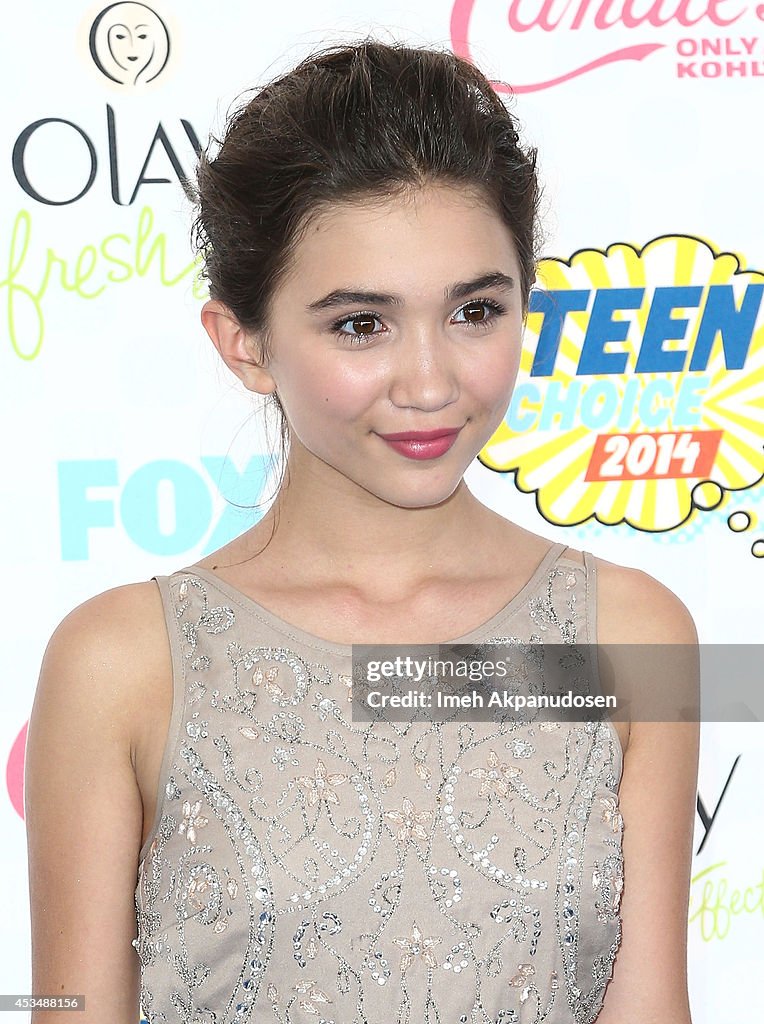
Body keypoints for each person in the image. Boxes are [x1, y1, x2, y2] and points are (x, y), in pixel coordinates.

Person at [24, 38, 700, 1024]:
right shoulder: (121, 660)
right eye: (359, 325)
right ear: (244, 342)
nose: (429, 382)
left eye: (473, 310)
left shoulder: (631, 638)